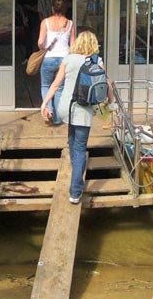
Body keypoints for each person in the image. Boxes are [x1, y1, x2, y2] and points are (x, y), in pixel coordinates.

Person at [40, 31, 113, 203]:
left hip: (66, 107)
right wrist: (111, 106)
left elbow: (56, 84)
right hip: (84, 110)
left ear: (77, 43)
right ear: (94, 44)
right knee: (80, 147)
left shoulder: (68, 59)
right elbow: (106, 84)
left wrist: (45, 104)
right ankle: (75, 191)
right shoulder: (97, 61)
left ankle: (76, 169)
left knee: (72, 141)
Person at [37, 0, 75, 125]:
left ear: (52, 8)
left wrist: (43, 47)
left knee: (46, 86)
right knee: (59, 88)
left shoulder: (45, 22)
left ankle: (48, 111)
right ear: (65, 9)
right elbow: (73, 45)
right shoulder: (70, 23)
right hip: (64, 59)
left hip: (48, 58)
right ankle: (58, 118)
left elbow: (41, 42)